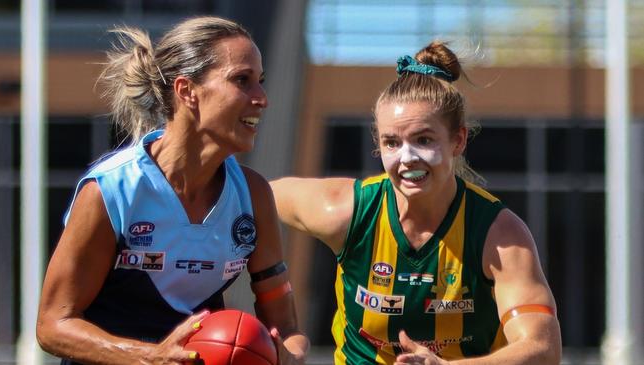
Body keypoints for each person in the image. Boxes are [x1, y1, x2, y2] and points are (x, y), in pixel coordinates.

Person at [36, 16, 309, 365]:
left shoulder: (252, 195)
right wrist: (149, 357)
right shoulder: (113, 191)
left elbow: (286, 327)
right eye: (242, 80)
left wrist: (285, 353)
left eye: (261, 81)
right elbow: (53, 324)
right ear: (186, 91)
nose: (262, 98)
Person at [270, 41, 561, 364]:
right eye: (392, 142)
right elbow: (249, 195)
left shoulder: (499, 234)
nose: (407, 158)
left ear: (458, 140)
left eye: (423, 140)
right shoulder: (346, 211)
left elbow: (542, 348)